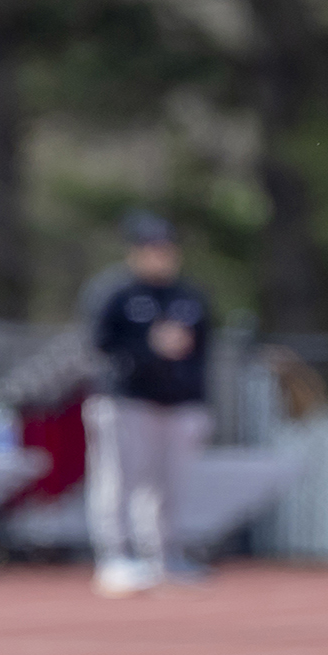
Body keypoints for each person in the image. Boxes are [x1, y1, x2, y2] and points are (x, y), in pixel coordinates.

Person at [85, 212, 213, 597]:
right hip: (128, 402)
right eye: (152, 248)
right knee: (119, 480)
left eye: (166, 247)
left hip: (179, 405)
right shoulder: (114, 293)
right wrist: (149, 351)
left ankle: (165, 555)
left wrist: (200, 402)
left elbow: (204, 354)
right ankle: (114, 557)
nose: (160, 255)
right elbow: (98, 347)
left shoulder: (188, 296)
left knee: (171, 484)